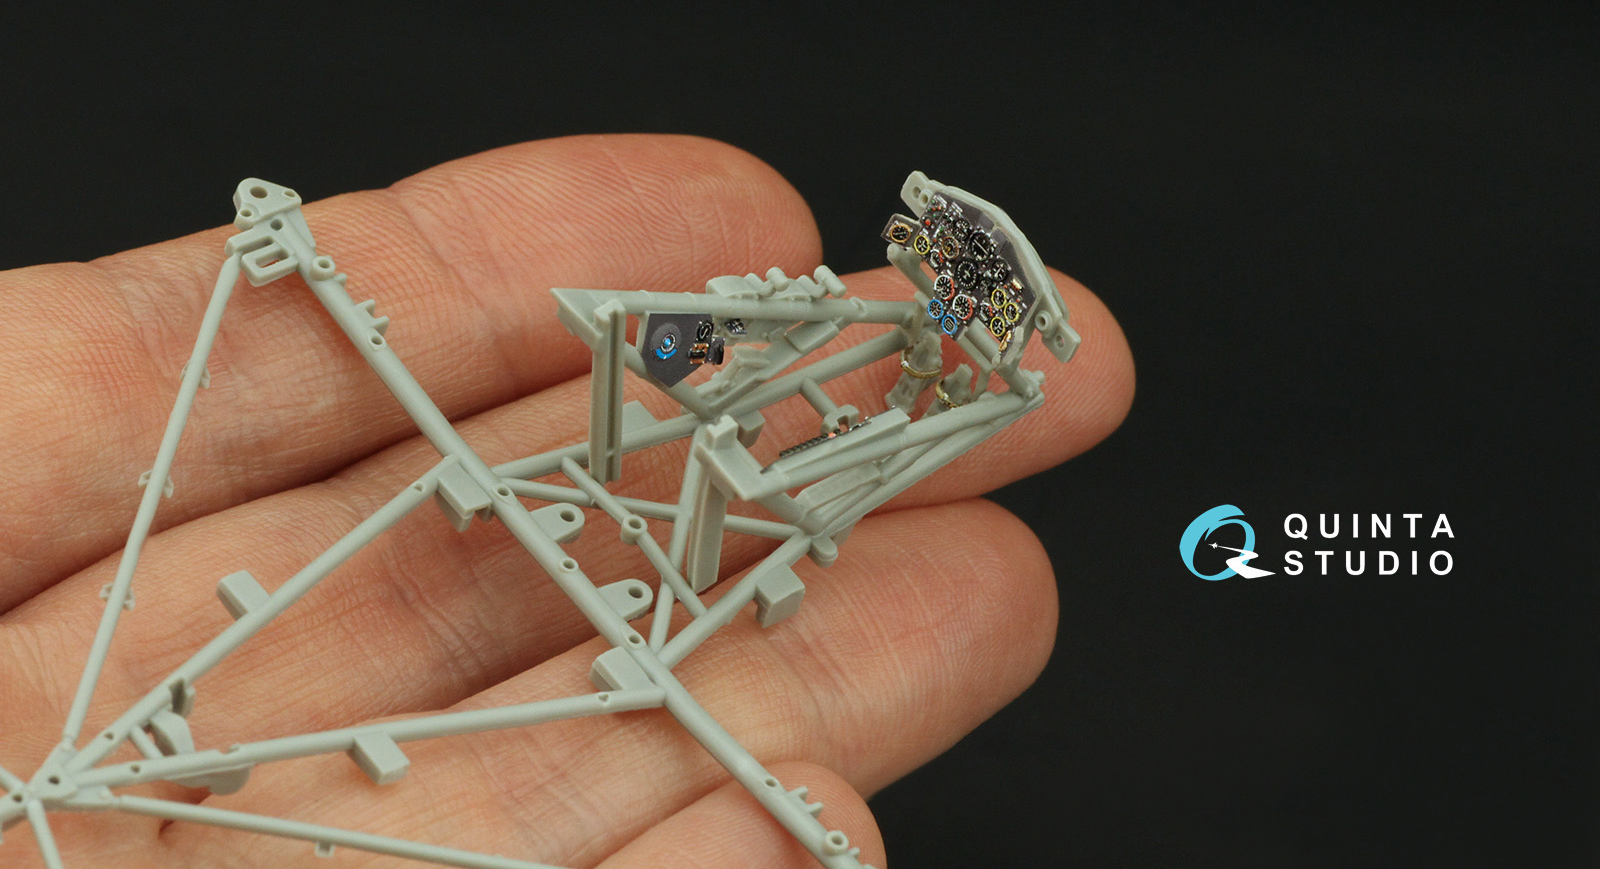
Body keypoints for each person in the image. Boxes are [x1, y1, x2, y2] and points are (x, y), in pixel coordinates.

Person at [0, 135, 1134, 868]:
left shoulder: (887, 363)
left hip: (710, 487)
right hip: (659, 479)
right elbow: (673, 354)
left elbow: (759, 416)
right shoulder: (814, 341)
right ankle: (78, 772)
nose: (935, 286)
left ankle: (78, 772)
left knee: (750, 431)